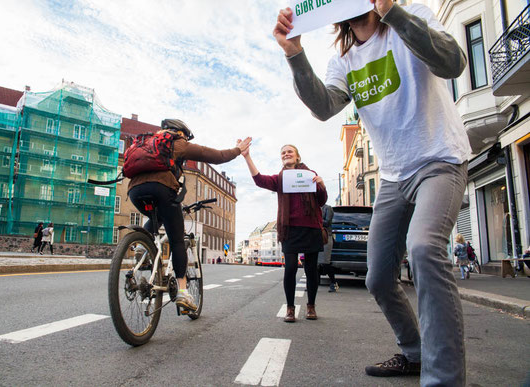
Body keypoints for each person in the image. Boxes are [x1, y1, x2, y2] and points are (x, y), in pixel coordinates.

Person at [274, 0, 470, 384]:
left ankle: (444, 378)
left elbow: (453, 64)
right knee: (378, 278)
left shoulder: (412, 17)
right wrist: (295, 53)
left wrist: (393, 12)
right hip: (394, 176)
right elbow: (324, 106)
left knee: (424, 248)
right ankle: (413, 354)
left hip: (440, 159)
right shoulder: (343, 60)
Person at [128, 119, 251, 313]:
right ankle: (183, 292)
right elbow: (216, 156)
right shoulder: (177, 142)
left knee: (156, 217)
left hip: (134, 191)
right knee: (177, 240)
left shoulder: (146, 143)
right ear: (182, 132)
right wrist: (237, 149)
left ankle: (141, 249)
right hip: (162, 189)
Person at [242, 144, 327, 322]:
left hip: (311, 226)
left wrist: (321, 184)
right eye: (283, 152)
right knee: (289, 269)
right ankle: (290, 308)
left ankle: (311, 306)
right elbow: (259, 180)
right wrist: (247, 157)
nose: (286, 154)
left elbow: (321, 200)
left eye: (290, 151)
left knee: (312, 270)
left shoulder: (310, 174)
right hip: (290, 229)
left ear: (297, 157)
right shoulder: (280, 179)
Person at [319, 204, 338, 292]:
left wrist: (315, 219)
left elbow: (327, 222)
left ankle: (334, 283)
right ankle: (314, 283)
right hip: (315, 237)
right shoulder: (313, 207)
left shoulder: (327, 208)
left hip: (325, 237)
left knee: (325, 262)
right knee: (315, 262)